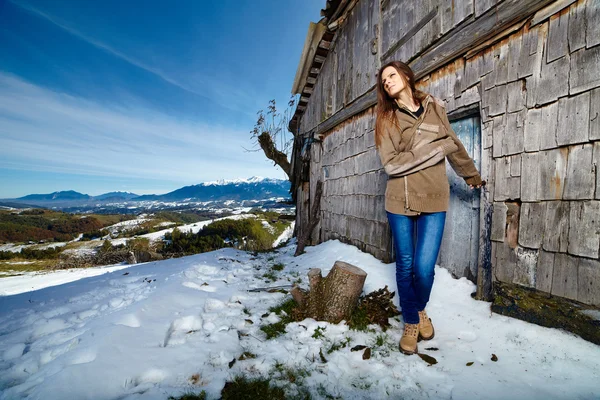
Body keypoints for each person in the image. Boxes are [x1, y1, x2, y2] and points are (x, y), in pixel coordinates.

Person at [374, 61, 483, 355]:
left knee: (423, 269)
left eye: (392, 75)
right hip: (400, 199)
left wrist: (469, 173)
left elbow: (453, 142)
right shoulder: (387, 118)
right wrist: (436, 148)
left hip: (434, 196)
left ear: (407, 76)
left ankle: (419, 309)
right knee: (406, 265)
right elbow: (392, 164)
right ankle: (412, 320)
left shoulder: (435, 107)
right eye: (383, 80)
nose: (387, 82)